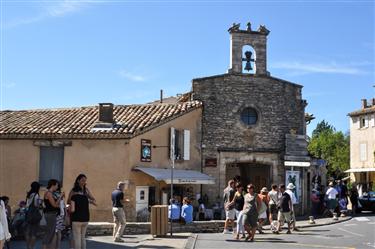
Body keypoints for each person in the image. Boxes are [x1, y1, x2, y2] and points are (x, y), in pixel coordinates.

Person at [69, 174, 96, 249]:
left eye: (85, 181)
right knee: (82, 237)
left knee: (78, 238)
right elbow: (69, 201)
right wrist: (86, 199)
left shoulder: (84, 190)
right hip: (85, 217)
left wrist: (87, 198)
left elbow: (93, 199)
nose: (84, 182)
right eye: (82, 180)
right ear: (78, 180)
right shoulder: (74, 191)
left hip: (77, 217)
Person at [43, 179, 64, 249]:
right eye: (57, 185)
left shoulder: (51, 193)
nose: (57, 187)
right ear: (53, 185)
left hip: (52, 214)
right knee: (50, 233)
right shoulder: (48, 193)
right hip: (50, 214)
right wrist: (60, 197)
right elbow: (54, 205)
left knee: (51, 233)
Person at [25, 181, 42, 249]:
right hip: (34, 215)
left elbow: (27, 205)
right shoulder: (36, 195)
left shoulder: (28, 195)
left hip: (28, 214)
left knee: (28, 232)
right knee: (34, 233)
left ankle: (28, 246)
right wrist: (40, 204)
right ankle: (32, 247)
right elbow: (36, 205)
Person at [53, 182, 66, 249]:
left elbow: (55, 204)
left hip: (56, 214)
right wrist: (65, 215)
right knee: (59, 231)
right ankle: (58, 247)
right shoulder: (61, 194)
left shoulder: (55, 194)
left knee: (55, 231)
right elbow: (64, 205)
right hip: (62, 214)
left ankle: (55, 247)